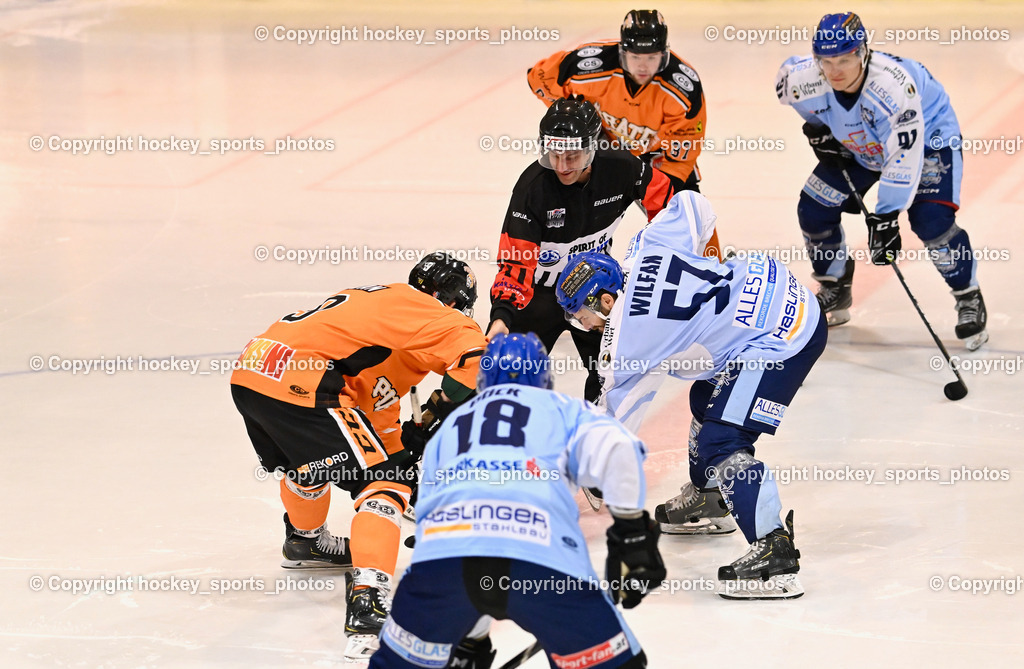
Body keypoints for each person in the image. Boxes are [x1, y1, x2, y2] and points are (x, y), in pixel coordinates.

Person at [555, 191, 827, 599]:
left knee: (724, 439)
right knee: (705, 397)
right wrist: (713, 263)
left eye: (583, 316)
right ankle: (712, 497)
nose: (584, 326)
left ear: (605, 300)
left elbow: (612, 423)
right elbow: (692, 204)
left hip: (781, 338)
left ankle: (775, 551)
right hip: (774, 288)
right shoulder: (645, 246)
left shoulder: (627, 341)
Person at [229, 252, 486, 658]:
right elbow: (479, 361)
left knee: (313, 462)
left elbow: (377, 426)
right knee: (384, 484)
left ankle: (305, 541)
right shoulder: (434, 312)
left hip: (255, 372)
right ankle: (369, 599)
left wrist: (407, 456)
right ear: (453, 301)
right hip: (306, 381)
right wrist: (435, 415)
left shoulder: (387, 321)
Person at [369, 333, 665, 668]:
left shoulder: (450, 426)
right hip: (542, 562)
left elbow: (433, 517)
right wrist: (633, 535)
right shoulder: (562, 409)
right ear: (544, 377)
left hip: (442, 564)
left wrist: (470, 637)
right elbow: (618, 449)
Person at [776, 12, 988, 350]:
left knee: (930, 220)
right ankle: (835, 284)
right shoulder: (802, 78)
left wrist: (886, 216)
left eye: (845, 59)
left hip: (927, 139)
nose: (835, 71)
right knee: (814, 208)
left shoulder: (891, 87)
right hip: (862, 142)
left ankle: (967, 294)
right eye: (826, 62)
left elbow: (903, 157)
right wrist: (818, 129)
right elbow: (791, 89)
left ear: (863, 52)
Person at [486, 95, 675, 402]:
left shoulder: (622, 167)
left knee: (611, 375)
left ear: (593, 147)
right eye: (554, 154)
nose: (561, 165)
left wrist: (657, 262)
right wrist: (501, 317)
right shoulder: (531, 188)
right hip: (537, 294)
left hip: (594, 287)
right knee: (504, 379)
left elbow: (669, 205)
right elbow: (515, 261)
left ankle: (596, 439)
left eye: (571, 157)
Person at [528, 9, 709, 198]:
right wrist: (574, 113)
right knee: (568, 189)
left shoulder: (682, 88)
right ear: (623, 52)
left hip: (657, 152)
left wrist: (666, 193)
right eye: (635, 57)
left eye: (652, 58)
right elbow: (539, 78)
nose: (643, 67)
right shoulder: (591, 66)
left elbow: (683, 151)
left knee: (685, 208)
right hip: (601, 142)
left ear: (664, 55)